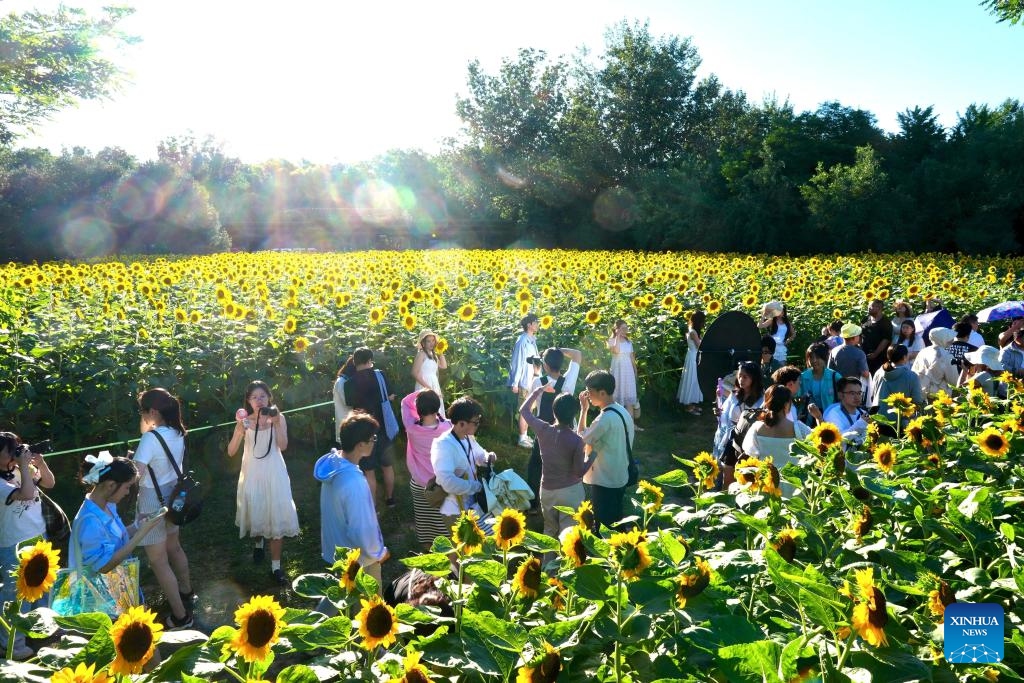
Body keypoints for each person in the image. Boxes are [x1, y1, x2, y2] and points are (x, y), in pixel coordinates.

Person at [70, 455, 166, 613]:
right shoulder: (89, 522)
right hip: (104, 603)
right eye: (127, 487)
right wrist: (141, 534)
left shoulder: (107, 505)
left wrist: (136, 526)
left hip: (121, 588)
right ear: (110, 485)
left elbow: (115, 540)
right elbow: (104, 566)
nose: (128, 493)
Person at [131, 388, 194, 629]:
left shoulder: (151, 439)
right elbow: (147, 430)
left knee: (158, 560)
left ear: (154, 411)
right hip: (173, 493)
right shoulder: (177, 431)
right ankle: (187, 591)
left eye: (143, 411)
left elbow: (137, 475)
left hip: (151, 498)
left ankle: (181, 616)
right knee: (174, 546)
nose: (143, 415)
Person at [227, 381, 300, 585]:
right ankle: (259, 543)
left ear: (269, 398)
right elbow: (231, 451)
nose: (259, 401)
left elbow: (283, 446)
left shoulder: (278, 417)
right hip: (252, 473)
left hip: (274, 471)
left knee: (275, 513)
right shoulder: (245, 421)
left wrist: (276, 423)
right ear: (248, 401)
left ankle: (275, 567)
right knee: (257, 511)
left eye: (262, 396)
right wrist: (240, 430)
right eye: (254, 397)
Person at [314, 413, 389, 588]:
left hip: (338, 556)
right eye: (372, 439)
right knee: (367, 611)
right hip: (360, 562)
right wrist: (378, 553)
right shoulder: (354, 482)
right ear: (361, 445)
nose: (374, 442)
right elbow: (361, 527)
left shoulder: (334, 466)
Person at [0, 433, 55, 658]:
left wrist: (39, 463)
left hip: (38, 536)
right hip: (13, 543)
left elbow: (49, 483)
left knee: (41, 590)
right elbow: (26, 493)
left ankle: (39, 633)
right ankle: (11, 643)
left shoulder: (17, 470)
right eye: (10, 449)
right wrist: (23, 464)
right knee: (15, 596)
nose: (16, 452)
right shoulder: (2, 482)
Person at [520, 385, 588, 538]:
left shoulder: (543, 430)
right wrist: (592, 457)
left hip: (547, 491)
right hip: (570, 492)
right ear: (573, 415)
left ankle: (547, 562)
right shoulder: (577, 441)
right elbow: (579, 471)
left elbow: (524, 411)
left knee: (550, 531)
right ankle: (566, 562)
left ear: (553, 411)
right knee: (569, 536)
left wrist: (538, 390)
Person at [577, 370, 634, 533]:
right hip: (620, 475)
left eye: (590, 392)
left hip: (605, 480)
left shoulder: (604, 419)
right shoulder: (622, 411)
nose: (587, 395)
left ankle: (608, 554)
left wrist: (583, 410)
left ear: (602, 393)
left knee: (604, 526)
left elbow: (580, 440)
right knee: (616, 518)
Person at [526, 347, 582, 511]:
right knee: (565, 464)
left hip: (544, 430)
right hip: (566, 430)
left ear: (545, 365)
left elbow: (532, 404)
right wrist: (558, 350)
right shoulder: (568, 381)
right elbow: (577, 354)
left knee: (536, 465)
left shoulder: (539, 382)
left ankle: (534, 503)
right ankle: (567, 498)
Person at [430, 397, 496, 531]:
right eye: (476, 422)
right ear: (461, 423)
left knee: (473, 548)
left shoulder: (467, 437)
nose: (478, 425)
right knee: (461, 549)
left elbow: (479, 456)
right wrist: (476, 487)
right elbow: (446, 481)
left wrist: (488, 457)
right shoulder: (443, 445)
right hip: (454, 508)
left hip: (472, 504)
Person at [342, 348, 397, 506]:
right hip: (384, 427)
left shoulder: (349, 383)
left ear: (354, 362)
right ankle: (390, 499)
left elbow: (351, 405)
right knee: (387, 466)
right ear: (370, 360)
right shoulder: (380, 375)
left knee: (369, 471)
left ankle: (372, 507)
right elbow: (391, 395)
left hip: (364, 431)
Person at [400, 389, 452, 548]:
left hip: (419, 484)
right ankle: (450, 560)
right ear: (438, 407)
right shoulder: (448, 427)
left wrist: (422, 391)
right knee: (445, 525)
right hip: (442, 485)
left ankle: (429, 558)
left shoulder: (411, 428)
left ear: (418, 409)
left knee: (425, 525)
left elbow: (404, 402)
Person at [741, 385, 812, 497]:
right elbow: (815, 446)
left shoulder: (757, 428)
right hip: (793, 487)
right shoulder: (798, 428)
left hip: (766, 485)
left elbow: (750, 454)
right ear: (786, 404)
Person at [717, 361, 765, 486]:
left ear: (754, 378)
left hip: (749, 441)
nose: (741, 379)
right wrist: (719, 413)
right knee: (727, 473)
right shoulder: (735, 394)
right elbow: (726, 414)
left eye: (745, 377)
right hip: (733, 438)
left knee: (745, 478)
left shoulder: (762, 399)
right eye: (739, 376)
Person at [871, 345, 924, 433]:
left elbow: (873, 395)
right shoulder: (911, 376)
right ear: (904, 357)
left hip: (878, 422)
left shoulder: (879, 372)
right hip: (901, 424)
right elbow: (917, 401)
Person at [508, 314, 541, 448]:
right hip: (524, 380)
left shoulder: (532, 339)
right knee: (524, 409)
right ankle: (521, 438)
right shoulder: (522, 341)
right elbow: (517, 363)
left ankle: (525, 435)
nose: (538, 324)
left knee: (530, 408)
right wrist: (514, 383)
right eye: (536, 322)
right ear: (529, 325)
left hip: (532, 379)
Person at [799, 343, 841, 424]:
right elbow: (796, 397)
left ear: (824, 358)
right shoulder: (803, 377)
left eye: (817, 357)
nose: (814, 360)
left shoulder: (835, 376)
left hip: (830, 417)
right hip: (809, 418)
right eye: (811, 357)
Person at [911, 327, 960, 397]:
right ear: (943, 339)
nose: (952, 340)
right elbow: (954, 381)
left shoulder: (924, 351)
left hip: (920, 392)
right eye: (949, 338)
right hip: (939, 396)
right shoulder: (946, 355)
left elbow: (914, 371)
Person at [822, 377, 870, 445]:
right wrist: (860, 425)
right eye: (852, 393)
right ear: (840, 395)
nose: (857, 397)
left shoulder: (863, 413)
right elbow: (838, 439)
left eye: (859, 393)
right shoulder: (833, 414)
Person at [609, 319, 642, 420]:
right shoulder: (611, 341)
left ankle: (630, 425)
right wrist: (618, 336)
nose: (625, 330)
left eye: (626, 328)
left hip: (628, 372)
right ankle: (618, 424)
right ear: (617, 329)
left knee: (629, 398)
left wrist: (635, 370)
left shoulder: (629, 342)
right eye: (623, 328)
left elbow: (631, 357)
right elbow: (616, 351)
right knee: (617, 395)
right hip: (617, 372)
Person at [411, 330, 447, 416]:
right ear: (423, 343)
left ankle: (437, 428)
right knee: (427, 409)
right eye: (428, 341)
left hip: (434, 383)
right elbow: (414, 373)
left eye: (433, 340)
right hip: (424, 385)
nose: (431, 343)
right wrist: (429, 388)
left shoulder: (432, 354)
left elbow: (444, 366)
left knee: (436, 409)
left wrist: (440, 352)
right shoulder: (421, 354)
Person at [675, 312, 704, 415]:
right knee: (692, 380)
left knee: (695, 380)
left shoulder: (693, 331)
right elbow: (699, 345)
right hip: (693, 357)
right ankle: (689, 406)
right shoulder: (693, 332)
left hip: (693, 356)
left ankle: (693, 404)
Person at [861, 299, 892, 375]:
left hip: (879, 357)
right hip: (864, 355)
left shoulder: (885, 322)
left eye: (871, 306)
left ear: (879, 308)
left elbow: (886, 340)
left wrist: (875, 354)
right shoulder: (865, 319)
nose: (868, 307)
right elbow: (860, 334)